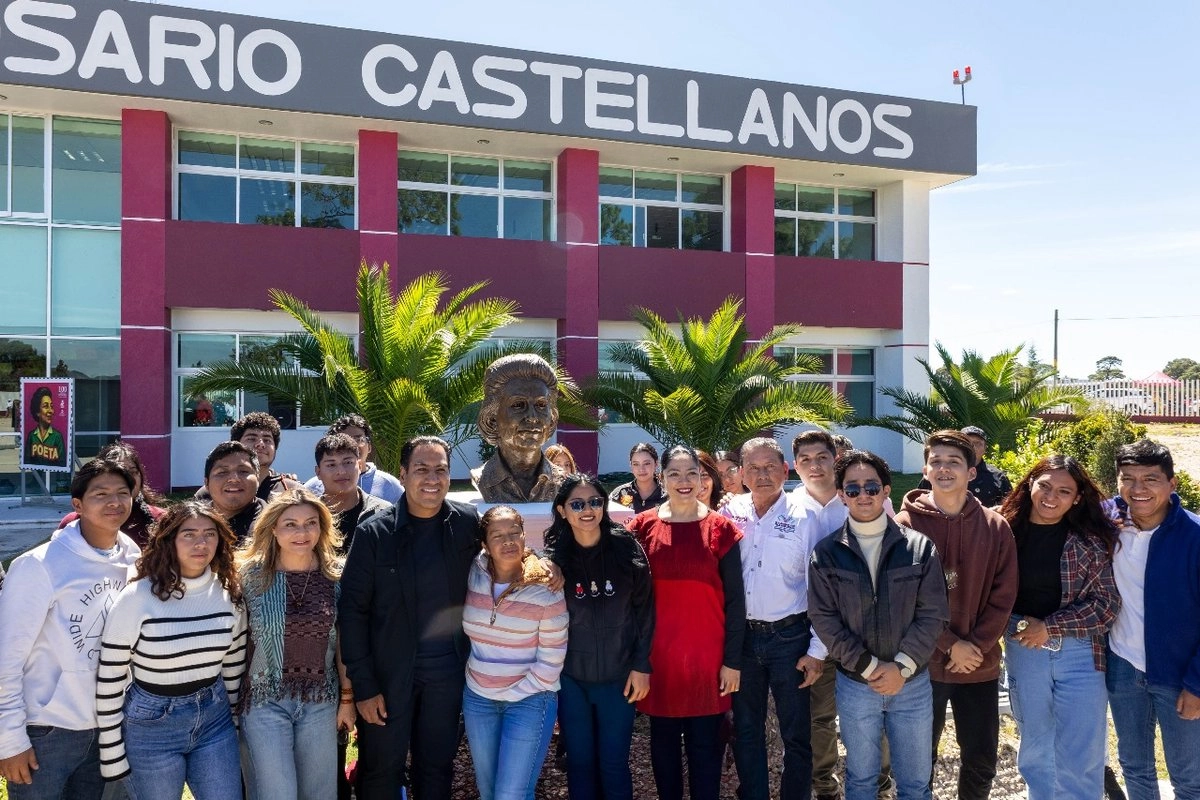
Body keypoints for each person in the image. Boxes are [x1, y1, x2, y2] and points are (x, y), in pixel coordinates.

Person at [336, 436, 483, 800]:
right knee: (380, 774)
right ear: (403, 473)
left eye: (440, 470)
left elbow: (504, 561)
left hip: (447, 677)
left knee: (436, 771)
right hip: (387, 681)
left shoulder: (466, 525)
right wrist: (365, 687)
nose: (431, 479)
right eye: (421, 469)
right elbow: (352, 613)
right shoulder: (374, 532)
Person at [808, 449, 949, 800]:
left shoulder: (919, 548)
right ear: (841, 495)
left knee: (916, 785)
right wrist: (869, 666)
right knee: (861, 781)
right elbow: (825, 619)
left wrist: (901, 667)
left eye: (871, 487)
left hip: (912, 684)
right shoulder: (826, 553)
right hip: (856, 684)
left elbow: (932, 614)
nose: (863, 495)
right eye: (852, 489)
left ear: (886, 490)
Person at [0, 459, 141, 798]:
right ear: (77, 504)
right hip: (47, 732)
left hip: (107, 728)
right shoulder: (39, 565)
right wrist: (9, 740)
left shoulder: (134, 558)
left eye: (123, 493)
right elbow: (6, 657)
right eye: (101, 494)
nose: (114, 503)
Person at [894, 430, 1018, 800]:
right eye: (937, 462)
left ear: (972, 472)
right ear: (925, 469)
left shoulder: (996, 527)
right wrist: (950, 646)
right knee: (919, 759)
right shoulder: (904, 526)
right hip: (920, 665)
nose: (944, 469)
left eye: (954, 462)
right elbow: (902, 599)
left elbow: (1004, 595)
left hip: (978, 664)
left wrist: (974, 646)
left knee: (981, 758)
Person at [94, 502, 247, 799]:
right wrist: (112, 753)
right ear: (169, 541)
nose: (201, 543)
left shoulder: (229, 594)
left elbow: (233, 663)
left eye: (209, 534)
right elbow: (111, 676)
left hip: (214, 722)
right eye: (188, 534)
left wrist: (234, 720)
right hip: (151, 726)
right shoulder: (137, 597)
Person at [996, 455, 1120, 800]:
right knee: (1037, 748)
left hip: (1081, 655)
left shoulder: (1090, 541)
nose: (1051, 497)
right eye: (1045, 486)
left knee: (1083, 751)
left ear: (1077, 498)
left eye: (1064, 491)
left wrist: (1051, 626)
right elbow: (983, 594)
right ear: (1029, 484)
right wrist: (1020, 626)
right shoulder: (1003, 532)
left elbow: (1107, 605)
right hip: (1024, 650)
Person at [626, 445, 745, 800]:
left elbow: (736, 602)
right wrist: (638, 661)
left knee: (706, 752)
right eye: (675, 474)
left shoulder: (722, 529)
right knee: (663, 752)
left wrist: (732, 662)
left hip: (709, 664)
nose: (684, 481)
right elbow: (632, 602)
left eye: (691, 473)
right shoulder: (642, 527)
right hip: (659, 662)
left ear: (702, 478)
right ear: (661, 477)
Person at [720, 437, 827, 800]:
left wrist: (817, 650)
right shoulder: (729, 513)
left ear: (786, 470)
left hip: (790, 639)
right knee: (746, 730)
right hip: (743, 642)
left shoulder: (807, 516)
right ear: (741, 473)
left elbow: (824, 591)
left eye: (770, 467)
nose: (762, 474)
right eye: (753, 468)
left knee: (796, 734)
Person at [791, 430, 892, 800]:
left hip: (865, 627)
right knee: (818, 716)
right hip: (810, 630)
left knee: (872, 712)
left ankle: (878, 784)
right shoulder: (788, 507)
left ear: (835, 458)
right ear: (795, 465)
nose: (815, 466)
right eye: (806, 459)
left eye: (822, 457)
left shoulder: (861, 497)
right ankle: (825, 785)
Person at [543, 475, 655, 800]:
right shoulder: (554, 560)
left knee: (613, 763)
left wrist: (641, 665)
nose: (587, 510)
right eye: (577, 504)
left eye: (595, 502)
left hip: (619, 677)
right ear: (563, 511)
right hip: (571, 679)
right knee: (579, 763)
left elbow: (645, 611)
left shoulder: (625, 547)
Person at [238, 490, 352, 800]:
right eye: (290, 524)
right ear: (273, 528)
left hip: (321, 701)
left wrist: (347, 699)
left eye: (310, 523)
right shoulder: (248, 577)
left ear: (321, 527)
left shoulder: (339, 576)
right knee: (277, 793)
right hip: (264, 702)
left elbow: (346, 643)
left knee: (319, 794)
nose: (302, 533)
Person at [1105, 440, 1200, 800]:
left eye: (1151, 479)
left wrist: (1197, 684)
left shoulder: (1194, 536)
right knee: (1135, 767)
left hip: (1180, 675)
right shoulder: (1109, 522)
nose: (1138, 489)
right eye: (1128, 479)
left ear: (1172, 484)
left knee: (1189, 778)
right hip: (1123, 667)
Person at [462, 505, 568, 800]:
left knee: (512, 794)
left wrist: (511, 692)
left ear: (524, 537)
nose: (507, 542)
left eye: (514, 533)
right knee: (489, 791)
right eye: (497, 536)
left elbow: (551, 660)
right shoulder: (473, 572)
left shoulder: (546, 587)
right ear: (484, 545)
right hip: (478, 700)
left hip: (529, 700)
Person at [472, 353, 563, 502]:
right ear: (492, 418)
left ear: (552, 417)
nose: (533, 417)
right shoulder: (482, 478)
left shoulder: (563, 482)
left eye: (541, 405)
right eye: (518, 405)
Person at [58, 440, 167, 548]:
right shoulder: (72, 523)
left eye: (132, 471)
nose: (127, 478)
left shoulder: (162, 521)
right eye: (101, 494)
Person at [312, 432, 393, 552]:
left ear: (360, 466)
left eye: (348, 462)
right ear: (318, 472)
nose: (341, 471)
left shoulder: (383, 512)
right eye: (331, 465)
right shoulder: (309, 516)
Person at [196, 412, 302, 502]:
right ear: (236, 444)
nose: (260, 444)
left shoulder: (291, 490)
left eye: (267, 440)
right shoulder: (211, 493)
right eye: (251, 439)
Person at [303, 414, 404, 505]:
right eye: (344, 441)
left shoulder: (390, 485)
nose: (353, 445)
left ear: (369, 446)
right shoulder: (312, 487)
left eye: (358, 439)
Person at [915, 425, 1012, 508]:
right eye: (968, 443)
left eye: (978, 443)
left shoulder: (998, 478)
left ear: (985, 448)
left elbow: (1009, 508)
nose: (973, 447)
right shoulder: (936, 475)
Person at [202, 440, 265, 545]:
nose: (234, 479)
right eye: (222, 472)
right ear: (206, 483)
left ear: (258, 479)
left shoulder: (274, 524)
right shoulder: (191, 523)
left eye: (243, 471)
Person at [609, 443, 667, 513]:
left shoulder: (668, 495)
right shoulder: (619, 494)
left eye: (646, 463)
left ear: (656, 464)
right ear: (631, 465)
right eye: (636, 464)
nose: (641, 469)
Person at [23, 386, 67, 468]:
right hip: (36, 478)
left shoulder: (57, 436)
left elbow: (62, 463)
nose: (51, 411)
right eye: (46, 406)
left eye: (51, 406)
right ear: (37, 412)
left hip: (52, 477)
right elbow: (27, 461)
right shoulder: (32, 436)